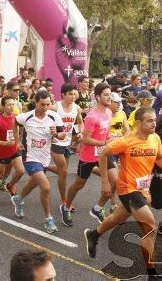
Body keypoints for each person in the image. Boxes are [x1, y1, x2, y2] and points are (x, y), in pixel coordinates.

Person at [84, 107, 162, 279]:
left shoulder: (155, 138)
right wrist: (105, 181)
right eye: (150, 120)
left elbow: (160, 157)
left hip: (142, 189)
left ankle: (93, 234)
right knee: (149, 227)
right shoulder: (126, 141)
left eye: (155, 120)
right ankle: (151, 272)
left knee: (117, 218)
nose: (154, 123)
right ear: (138, 123)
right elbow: (103, 155)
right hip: (128, 190)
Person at [10, 91, 65, 233]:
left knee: (33, 183)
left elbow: (63, 134)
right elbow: (15, 121)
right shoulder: (26, 117)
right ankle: (48, 220)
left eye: (48, 104)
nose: (46, 107)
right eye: (42, 104)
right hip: (29, 157)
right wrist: (16, 141)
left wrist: (56, 134)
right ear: (36, 102)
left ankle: (18, 199)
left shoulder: (54, 116)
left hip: (45, 158)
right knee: (45, 187)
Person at [61, 83, 115, 227]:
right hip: (88, 156)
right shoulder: (92, 116)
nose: (109, 97)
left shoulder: (109, 113)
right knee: (79, 184)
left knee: (115, 181)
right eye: (106, 94)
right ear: (98, 97)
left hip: (103, 153)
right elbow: (86, 140)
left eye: (110, 94)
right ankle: (66, 207)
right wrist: (104, 142)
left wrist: (111, 141)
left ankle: (98, 208)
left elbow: (106, 133)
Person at [49, 83, 83, 208]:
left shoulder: (77, 108)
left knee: (62, 171)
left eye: (74, 94)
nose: (73, 97)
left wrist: (80, 132)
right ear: (63, 95)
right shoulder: (54, 108)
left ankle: (45, 166)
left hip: (67, 143)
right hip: (56, 142)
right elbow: (41, 114)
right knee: (63, 172)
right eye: (70, 94)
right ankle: (64, 200)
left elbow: (80, 122)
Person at [0, 96, 25, 201]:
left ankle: (10, 185)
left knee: (20, 171)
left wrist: (18, 143)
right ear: (3, 107)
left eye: (13, 104)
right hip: (1, 152)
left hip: (14, 150)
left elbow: (16, 132)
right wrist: (6, 144)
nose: (11, 107)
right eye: (9, 105)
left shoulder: (16, 118)